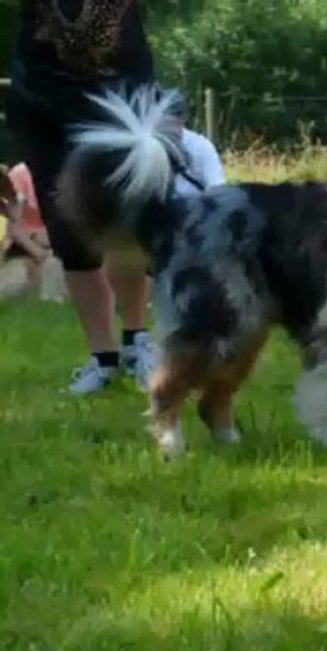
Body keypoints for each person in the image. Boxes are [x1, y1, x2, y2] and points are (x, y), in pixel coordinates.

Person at [6, 0, 157, 395]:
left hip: (119, 96)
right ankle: (102, 359)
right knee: (66, 227)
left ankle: (137, 341)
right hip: (41, 102)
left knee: (124, 220)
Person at [1, 162, 50, 294]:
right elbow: (14, 227)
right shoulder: (21, 174)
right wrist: (37, 251)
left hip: (48, 239)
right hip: (23, 244)